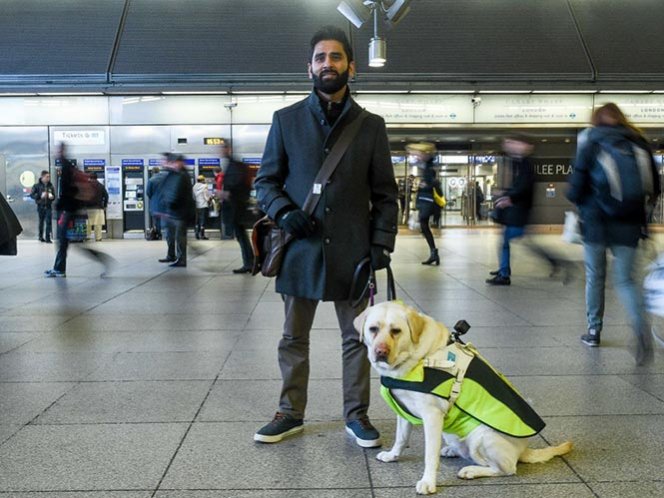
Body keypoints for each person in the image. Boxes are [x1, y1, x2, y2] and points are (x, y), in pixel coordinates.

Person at [253, 26, 398, 447]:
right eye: (320, 57)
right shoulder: (286, 121)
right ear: (310, 67)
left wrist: (381, 242)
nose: (327, 64)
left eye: (336, 57)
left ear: (351, 66)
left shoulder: (370, 126)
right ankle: (290, 412)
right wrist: (284, 212)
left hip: (353, 251)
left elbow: (386, 193)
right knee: (293, 336)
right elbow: (266, 182)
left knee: (358, 337)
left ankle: (357, 416)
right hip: (301, 248)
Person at [567, 103, 660, 365]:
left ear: (597, 120)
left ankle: (594, 330)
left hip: (596, 223)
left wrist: (583, 200)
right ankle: (640, 328)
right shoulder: (639, 142)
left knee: (595, 277)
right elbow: (655, 187)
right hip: (630, 223)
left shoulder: (591, 139)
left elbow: (575, 189)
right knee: (627, 281)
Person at [486, 135, 535, 286]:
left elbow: (524, 187)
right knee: (507, 241)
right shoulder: (519, 163)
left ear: (524, 145)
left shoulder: (526, 164)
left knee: (508, 241)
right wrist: (505, 194)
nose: (509, 146)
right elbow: (519, 187)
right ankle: (504, 269)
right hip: (517, 211)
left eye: (513, 143)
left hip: (520, 212)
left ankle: (504, 274)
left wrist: (509, 198)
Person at [45, 143, 79, 278]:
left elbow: (66, 191)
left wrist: (60, 206)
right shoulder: (68, 166)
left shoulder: (65, 167)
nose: (55, 152)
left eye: (58, 149)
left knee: (62, 240)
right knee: (62, 240)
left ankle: (59, 269)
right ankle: (58, 267)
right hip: (68, 209)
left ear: (62, 151)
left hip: (67, 210)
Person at [156, 154, 195, 267]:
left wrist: (170, 203)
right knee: (175, 235)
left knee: (180, 237)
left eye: (176, 162)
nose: (174, 164)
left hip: (181, 212)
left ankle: (182, 259)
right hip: (175, 211)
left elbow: (177, 193)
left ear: (180, 162)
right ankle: (176, 256)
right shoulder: (176, 174)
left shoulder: (182, 175)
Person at [221, 147, 254, 274]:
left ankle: (249, 263)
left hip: (236, 208)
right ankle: (249, 262)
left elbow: (233, 187)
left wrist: (224, 194)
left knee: (242, 236)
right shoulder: (236, 165)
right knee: (242, 236)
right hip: (238, 207)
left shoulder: (234, 166)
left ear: (228, 149)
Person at [409, 142, 442, 266]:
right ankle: (434, 253)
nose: (418, 156)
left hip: (427, 202)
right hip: (425, 202)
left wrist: (426, 184)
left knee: (423, 225)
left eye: (421, 154)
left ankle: (434, 253)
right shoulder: (426, 166)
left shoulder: (430, 166)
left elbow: (433, 183)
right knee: (423, 226)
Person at [30, 170, 55, 243]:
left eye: (49, 177)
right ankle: (40, 237)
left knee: (48, 222)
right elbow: (32, 195)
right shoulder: (36, 186)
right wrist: (40, 196)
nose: (48, 178)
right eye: (47, 177)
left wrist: (52, 197)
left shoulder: (50, 186)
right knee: (41, 222)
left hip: (48, 206)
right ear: (42, 177)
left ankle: (48, 238)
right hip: (40, 206)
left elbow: (54, 196)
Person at [86, 173, 108, 242]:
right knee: (98, 224)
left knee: (88, 224)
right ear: (96, 178)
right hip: (98, 208)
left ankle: (87, 236)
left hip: (88, 208)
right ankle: (98, 237)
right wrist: (105, 205)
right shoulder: (101, 186)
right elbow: (106, 196)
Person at [146, 166, 165, 240]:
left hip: (155, 204)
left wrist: (153, 198)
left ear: (152, 172)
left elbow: (148, 192)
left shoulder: (151, 180)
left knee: (157, 220)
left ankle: (159, 234)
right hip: (165, 203)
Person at [193, 175, 211, 240]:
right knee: (202, 221)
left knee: (197, 220)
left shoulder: (194, 187)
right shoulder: (204, 186)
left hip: (197, 206)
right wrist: (209, 199)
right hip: (203, 205)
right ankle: (202, 235)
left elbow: (194, 197)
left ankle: (196, 234)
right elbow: (206, 197)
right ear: (203, 180)